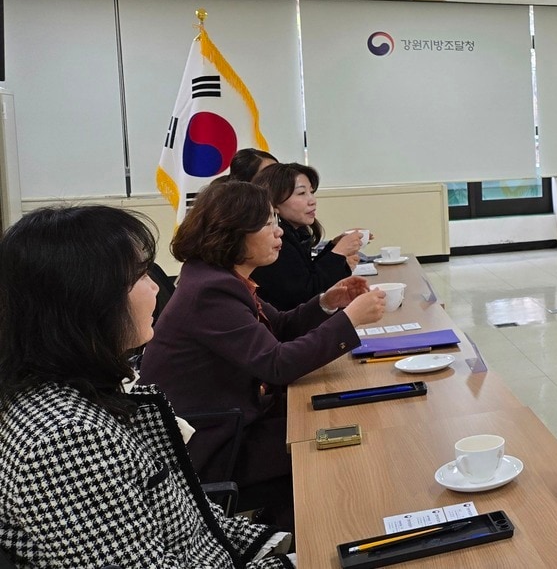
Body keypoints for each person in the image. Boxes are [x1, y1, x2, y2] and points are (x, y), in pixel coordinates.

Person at [0, 205, 294, 566]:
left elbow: (192, 522)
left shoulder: (84, 390)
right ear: (86, 300)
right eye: (140, 275)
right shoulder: (64, 440)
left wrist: (288, 549)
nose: (155, 286)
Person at [141, 181, 385, 530]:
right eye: (267, 223)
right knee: (331, 440)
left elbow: (279, 326)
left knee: (336, 422)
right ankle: (299, 537)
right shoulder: (211, 291)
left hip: (233, 420)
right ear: (232, 232)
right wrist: (350, 320)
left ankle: (287, 532)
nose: (278, 232)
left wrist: (327, 302)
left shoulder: (219, 278)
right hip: (214, 444)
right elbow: (277, 364)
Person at [250, 162, 367, 310]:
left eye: (311, 192)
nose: (312, 200)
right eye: (301, 193)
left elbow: (309, 274)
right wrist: (339, 253)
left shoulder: (297, 232)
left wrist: (334, 246)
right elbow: (306, 296)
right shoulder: (274, 240)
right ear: (275, 203)